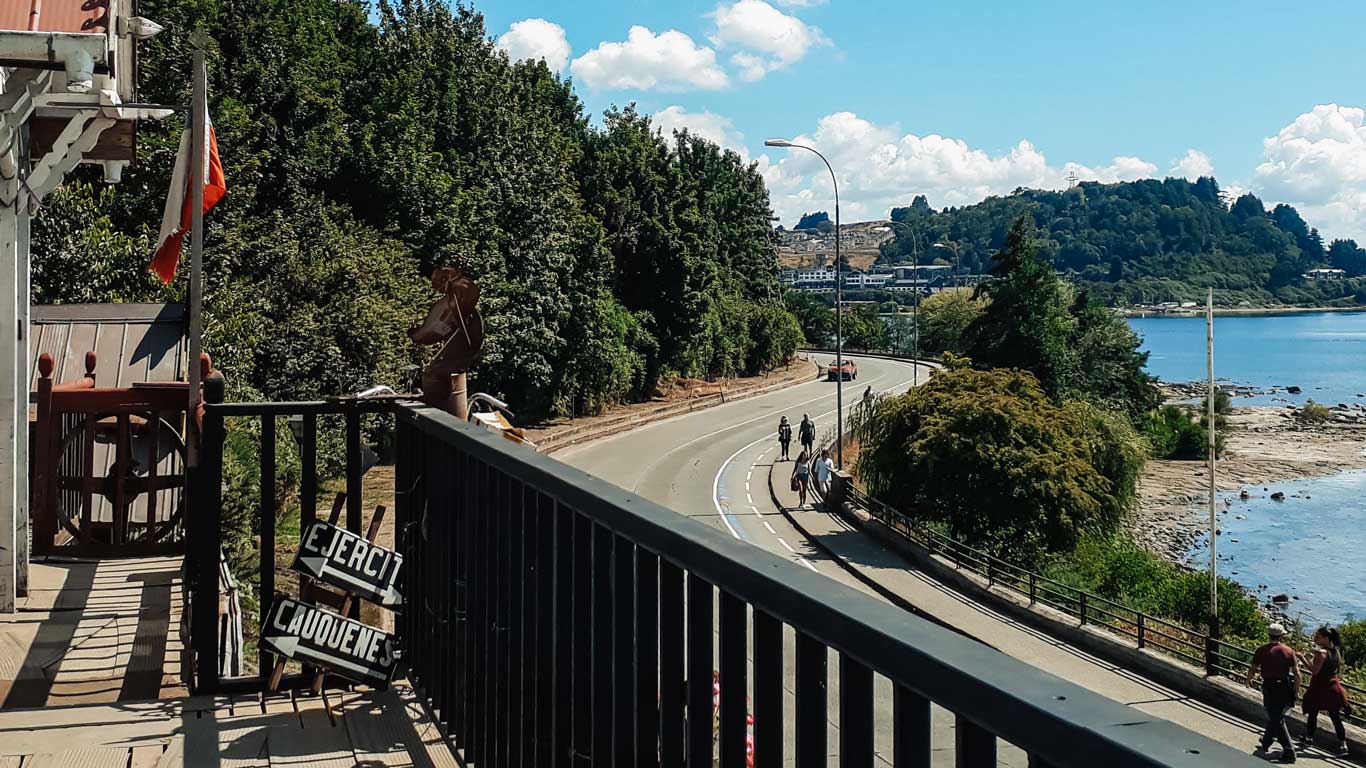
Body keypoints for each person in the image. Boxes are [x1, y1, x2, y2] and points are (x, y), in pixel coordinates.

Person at [1248, 623, 1301, 763]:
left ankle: (1289, 752)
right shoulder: (1289, 651)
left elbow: (1253, 668)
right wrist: (1296, 691)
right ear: (1281, 636)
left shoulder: (1261, 650)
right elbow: (1297, 674)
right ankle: (1266, 742)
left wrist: (1248, 681)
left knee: (1276, 717)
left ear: (1268, 635)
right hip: (1284, 686)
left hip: (1269, 686)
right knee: (1276, 715)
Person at [1299, 625, 1352, 756]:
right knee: (1335, 717)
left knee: (1313, 712)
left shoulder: (1322, 653)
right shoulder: (1336, 652)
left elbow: (1314, 671)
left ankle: (1309, 738)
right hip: (1334, 687)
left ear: (1326, 638)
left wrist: (1301, 657)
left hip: (1320, 687)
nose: (1315, 638)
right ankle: (1343, 745)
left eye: (1318, 637)